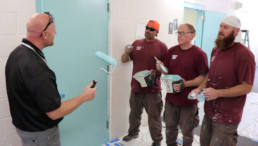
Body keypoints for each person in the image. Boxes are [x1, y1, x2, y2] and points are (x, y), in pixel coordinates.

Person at [5, 12, 96, 146]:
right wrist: (84, 96)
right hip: (41, 136)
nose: (56, 34)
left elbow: (30, 91)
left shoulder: (17, 54)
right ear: (44, 34)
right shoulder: (35, 66)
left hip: (27, 130)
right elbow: (55, 113)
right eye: (54, 31)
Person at [191, 16, 256, 146]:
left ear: (236, 31)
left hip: (227, 117)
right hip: (209, 112)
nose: (220, 30)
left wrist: (218, 93)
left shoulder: (244, 55)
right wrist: (199, 88)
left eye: (225, 27)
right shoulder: (216, 50)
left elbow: (246, 87)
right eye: (220, 26)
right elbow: (210, 74)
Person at [156, 23, 209, 146]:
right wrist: (160, 68)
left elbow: (204, 77)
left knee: (187, 131)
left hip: (188, 101)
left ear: (192, 36)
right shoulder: (172, 51)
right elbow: (166, 71)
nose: (179, 36)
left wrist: (186, 84)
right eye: (178, 33)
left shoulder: (199, 54)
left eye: (182, 33)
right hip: (171, 99)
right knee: (170, 128)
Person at [121, 20, 168, 146]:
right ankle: (133, 132)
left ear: (157, 32)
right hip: (136, 88)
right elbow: (124, 60)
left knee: (154, 117)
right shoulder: (136, 43)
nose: (148, 30)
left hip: (152, 90)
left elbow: (167, 71)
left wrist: (159, 69)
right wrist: (126, 52)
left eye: (152, 29)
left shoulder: (162, 47)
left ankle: (157, 140)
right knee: (134, 114)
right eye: (147, 28)